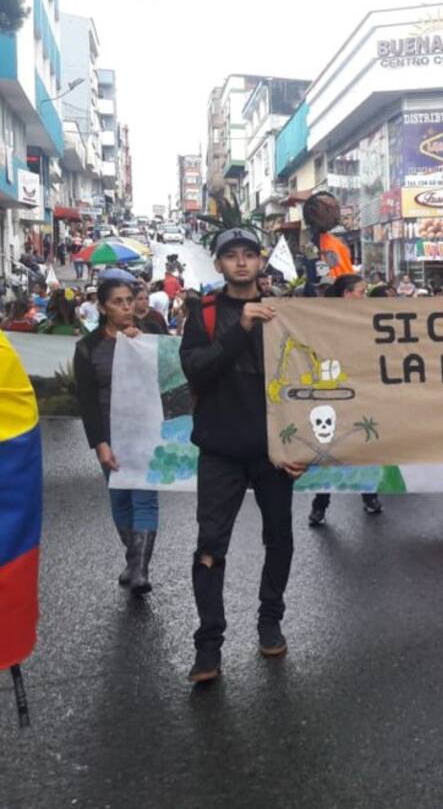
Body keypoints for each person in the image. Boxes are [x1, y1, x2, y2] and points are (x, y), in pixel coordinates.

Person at [180, 227, 308, 684]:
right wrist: (242, 328)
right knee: (210, 546)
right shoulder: (205, 313)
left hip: (275, 451)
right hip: (220, 450)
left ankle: (270, 620)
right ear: (218, 264)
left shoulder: (285, 312)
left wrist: (302, 446)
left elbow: (308, 378)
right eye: (230, 255)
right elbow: (196, 369)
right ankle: (208, 645)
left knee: (280, 539)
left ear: (260, 262)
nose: (240, 262)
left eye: (249, 254)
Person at [73, 278, 160, 595]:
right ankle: (133, 558)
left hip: (147, 431)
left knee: (145, 499)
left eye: (129, 300)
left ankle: (140, 570)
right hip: (111, 434)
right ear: (102, 307)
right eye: (117, 302)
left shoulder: (151, 336)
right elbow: (87, 400)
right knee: (120, 498)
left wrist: (143, 345)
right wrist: (100, 443)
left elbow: (170, 376)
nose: (126, 307)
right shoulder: (88, 347)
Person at [308, 272, 383, 526]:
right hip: (333, 392)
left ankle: (369, 495)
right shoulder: (325, 320)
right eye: (361, 292)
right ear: (346, 294)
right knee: (330, 447)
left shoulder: (367, 320)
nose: (365, 297)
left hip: (362, 391)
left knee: (363, 445)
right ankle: (320, 503)